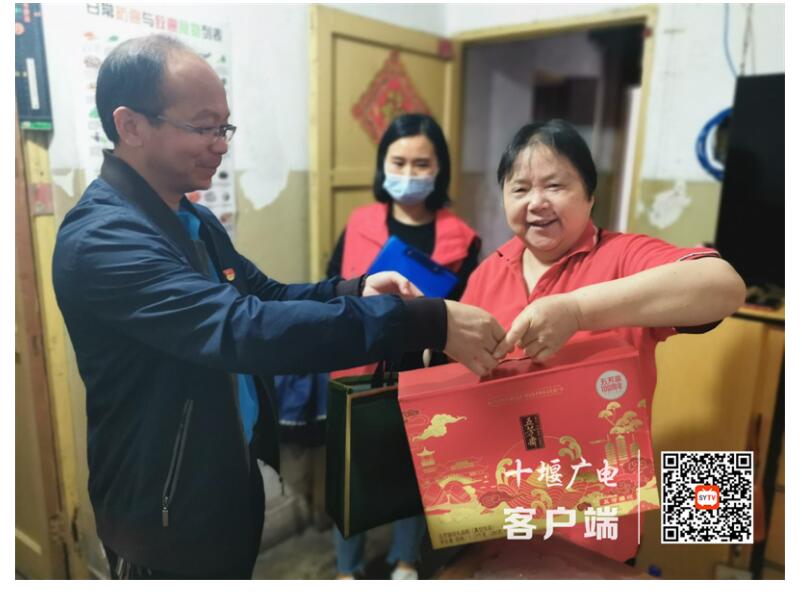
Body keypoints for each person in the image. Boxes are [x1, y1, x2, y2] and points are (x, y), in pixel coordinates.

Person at [51, 34, 505, 580]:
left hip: (224, 482)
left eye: (224, 128)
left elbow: (263, 295)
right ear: (130, 126)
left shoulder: (192, 218)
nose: (220, 145)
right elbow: (240, 328)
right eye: (203, 127)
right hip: (162, 513)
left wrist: (353, 290)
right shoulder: (103, 239)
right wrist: (426, 320)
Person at [461, 119, 746, 563]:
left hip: (597, 525)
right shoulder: (487, 271)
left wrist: (577, 311)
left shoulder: (623, 256)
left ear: (590, 195)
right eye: (520, 189)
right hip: (503, 515)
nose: (536, 202)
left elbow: (724, 287)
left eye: (555, 185)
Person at [326, 113, 481, 580]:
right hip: (357, 367)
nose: (409, 174)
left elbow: (465, 308)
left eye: (421, 164)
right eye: (398, 162)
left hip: (425, 373)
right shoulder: (359, 223)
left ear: (439, 169)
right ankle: (346, 570)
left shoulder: (463, 238)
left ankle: (406, 560)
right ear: (383, 165)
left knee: (417, 469)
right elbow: (332, 286)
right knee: (352, 470)